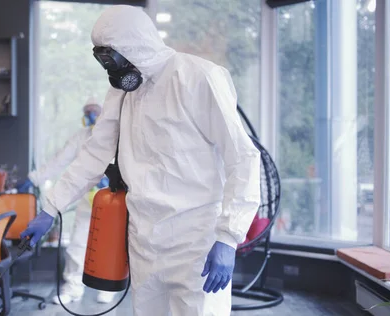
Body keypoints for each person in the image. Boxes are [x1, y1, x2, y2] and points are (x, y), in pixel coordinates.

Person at [21, 5, 260, 316]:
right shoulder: (121, 94)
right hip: (144, 239)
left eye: (116, 58)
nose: (114, 72)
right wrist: (50, 208)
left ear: (135, 45)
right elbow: (94, 154)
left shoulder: (199, 77)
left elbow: (243, 157)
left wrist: (228, 238)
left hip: (196, 241)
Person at [17, 98, 116, 305]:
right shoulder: (81, 138)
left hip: (113, 204)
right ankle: (72, 287)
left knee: (111, 246)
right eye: (87, 112)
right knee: (77, 245)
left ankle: (108, 288)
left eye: (94, 111)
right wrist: (34, 178)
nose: (90, 116)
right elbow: (59, 161)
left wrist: (115, 178)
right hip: (87, 201)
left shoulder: (117, 135)